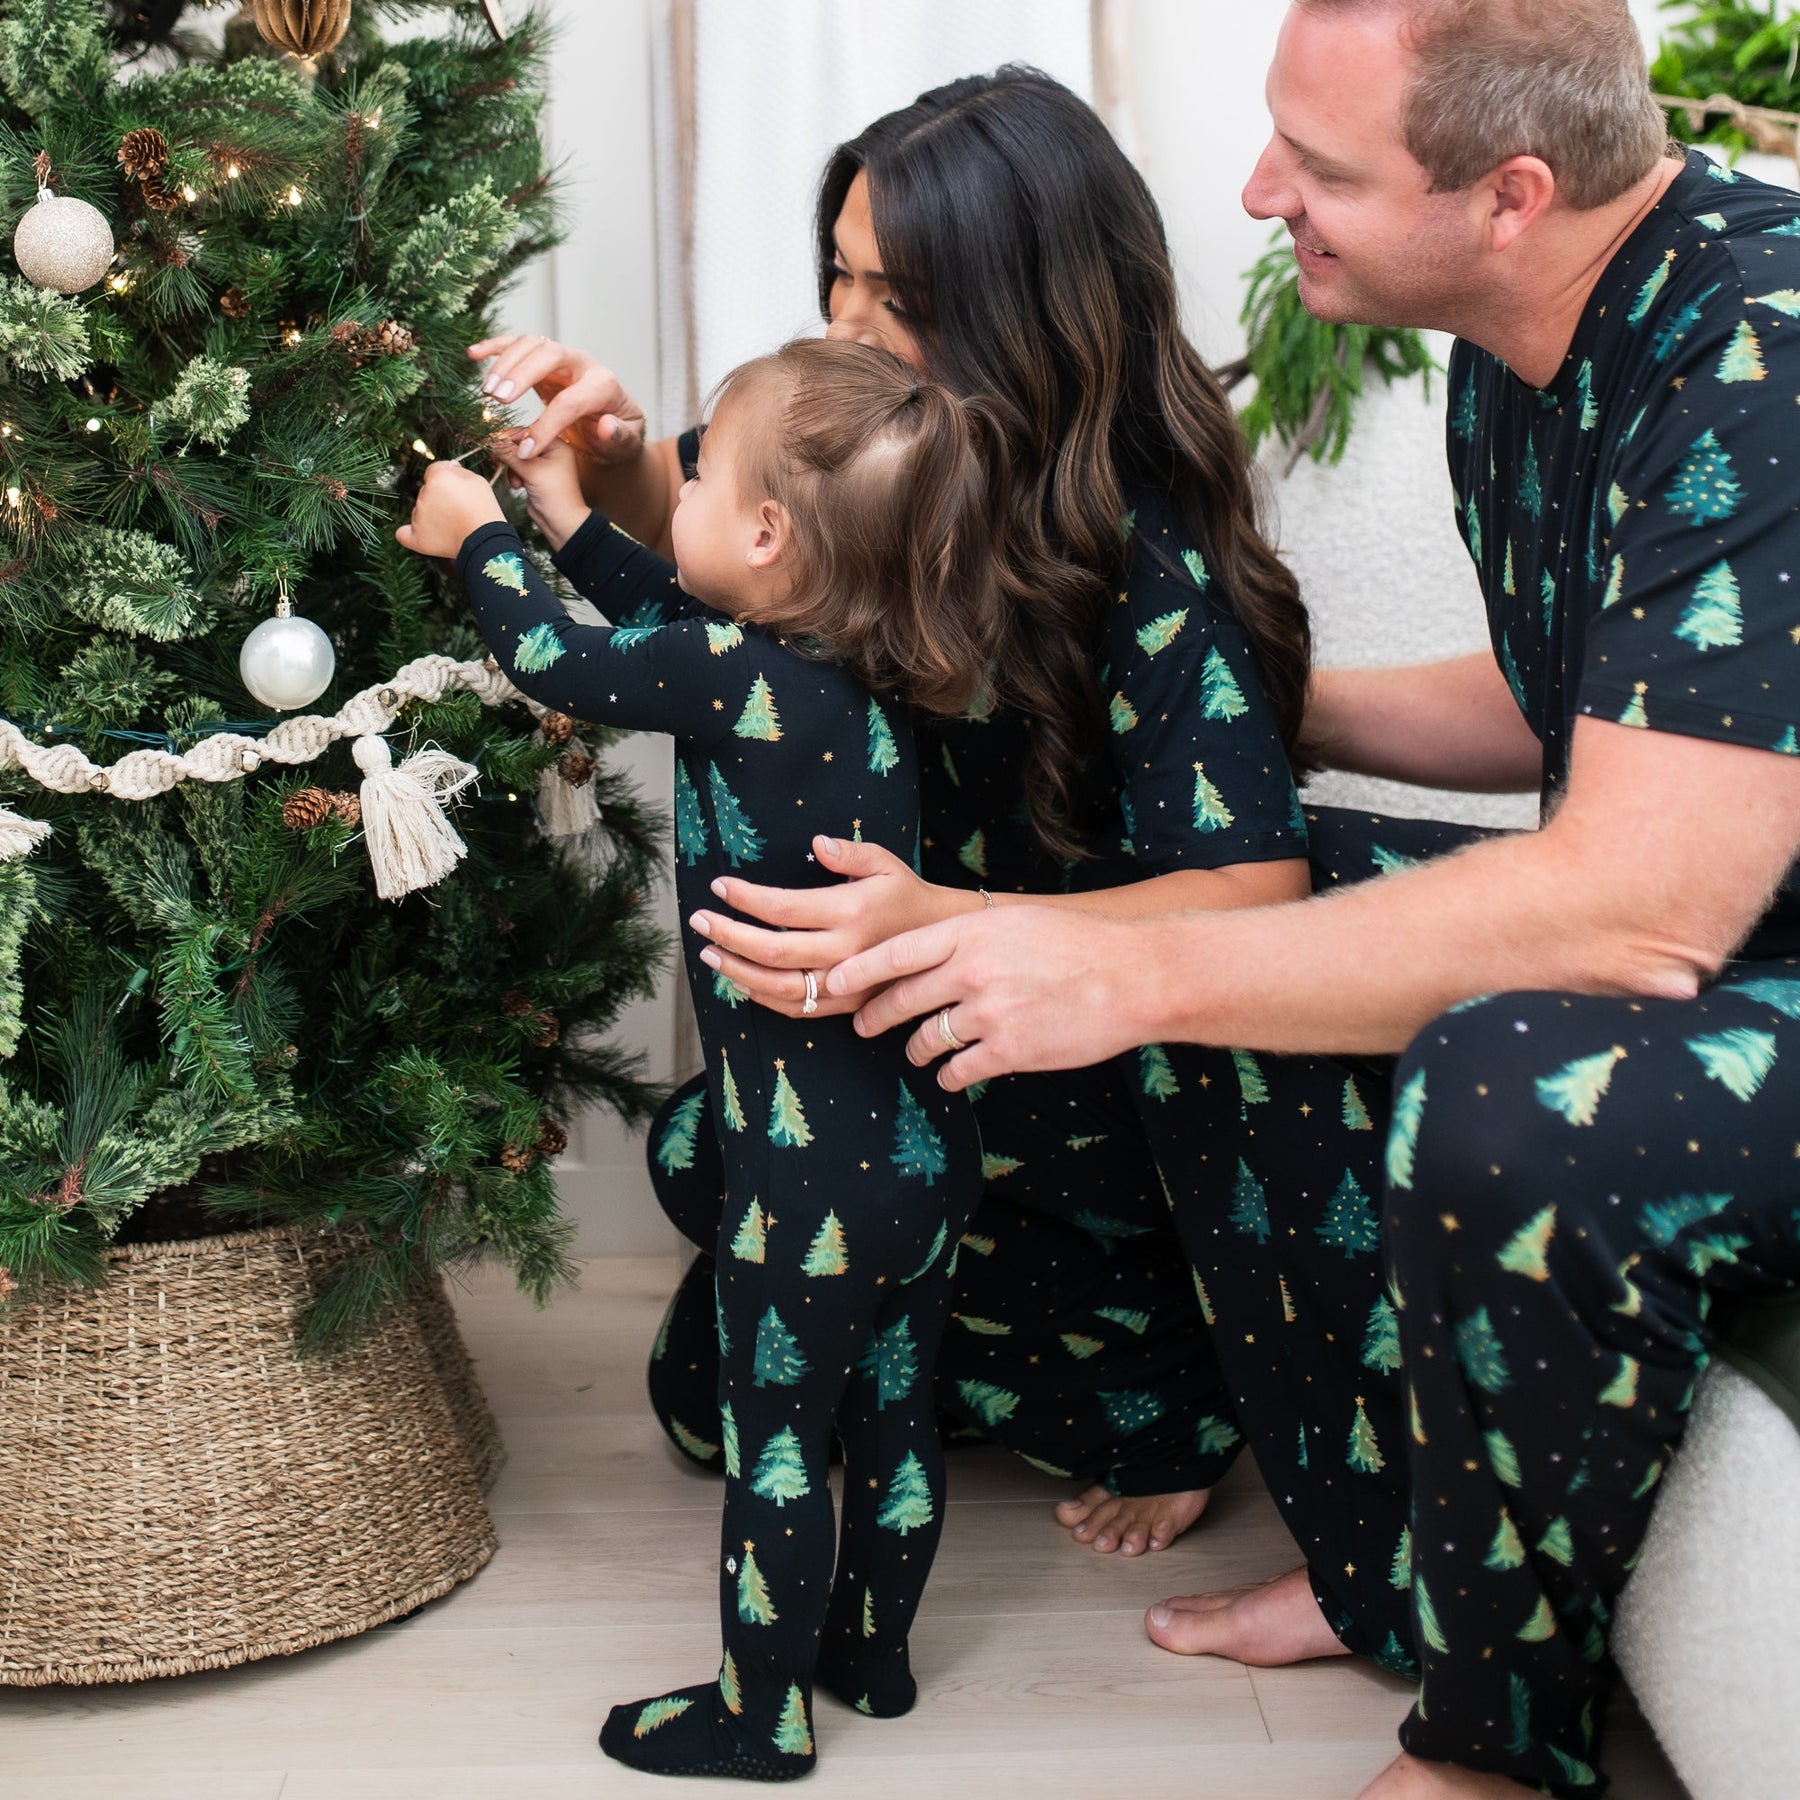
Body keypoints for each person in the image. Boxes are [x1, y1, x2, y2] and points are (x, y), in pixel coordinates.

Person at [821, 3, 1800, 1796]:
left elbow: (1632, 915)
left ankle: (1490, 1753)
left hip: (1738, 951)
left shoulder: (1756, 350)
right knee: (1246, 903)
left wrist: (1136, 975)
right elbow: (1593, 704)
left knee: (1495, 1086)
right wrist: (1259, 711)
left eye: (1322, 168)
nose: (1261, 194)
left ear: (1510, 195)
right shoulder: (1530, 338)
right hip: (1736, 921)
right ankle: (1383, 1561)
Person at [471, 67, 1318, 1556]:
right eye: (840, 276)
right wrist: (598, 458)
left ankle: (1155, 1384)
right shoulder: (856, 445)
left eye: (899, 297)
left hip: (1057, 1078)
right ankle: (915, 1342)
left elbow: (1258, 896)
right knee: (700, 1253)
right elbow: (695, 552)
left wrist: (953, 925)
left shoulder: (1137, 551)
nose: (847, 325)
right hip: (865, 1062)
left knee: (988, 1343)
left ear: (1031, 313)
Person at [398, 338, 997, 1779]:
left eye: (702, 473)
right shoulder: (849, 665)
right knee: (895, 1416)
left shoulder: (728, 670)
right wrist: (562, 509)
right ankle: (874, 1658)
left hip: (804, 1174)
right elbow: (665, 611)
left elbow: (561, 658)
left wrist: (480, 536)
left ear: (770, 533)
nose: (677, 487)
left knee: (778, 1437)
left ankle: (757, 1715)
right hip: (924, 1147)